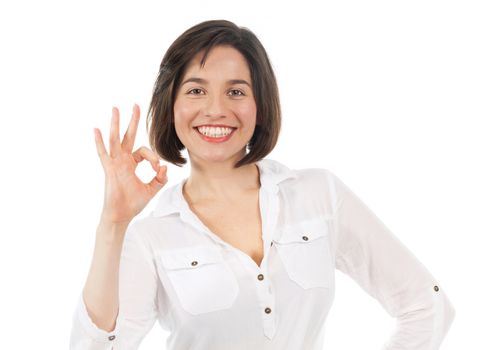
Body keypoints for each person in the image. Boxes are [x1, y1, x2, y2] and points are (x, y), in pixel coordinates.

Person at [69, 19, 455, 350]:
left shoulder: (319, 196)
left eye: (236, 91)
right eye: (196, 90)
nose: (216, 108)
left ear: (260, 104)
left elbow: (427, 305)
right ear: (171, 106)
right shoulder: (152, 238)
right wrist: (113, 223)